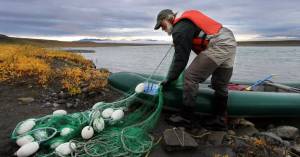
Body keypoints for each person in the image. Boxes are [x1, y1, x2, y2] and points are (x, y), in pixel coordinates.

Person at [154, 9, 237, 130]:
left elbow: (180, 60)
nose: (162, 29)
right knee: (220, 84)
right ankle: (219, 120)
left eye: (162, 25)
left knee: (190, 76)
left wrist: (170, 79)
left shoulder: (180, 28)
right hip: (229, 40)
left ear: (168, 19)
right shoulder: (184, 25)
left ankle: (186, 117)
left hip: (219, 43)